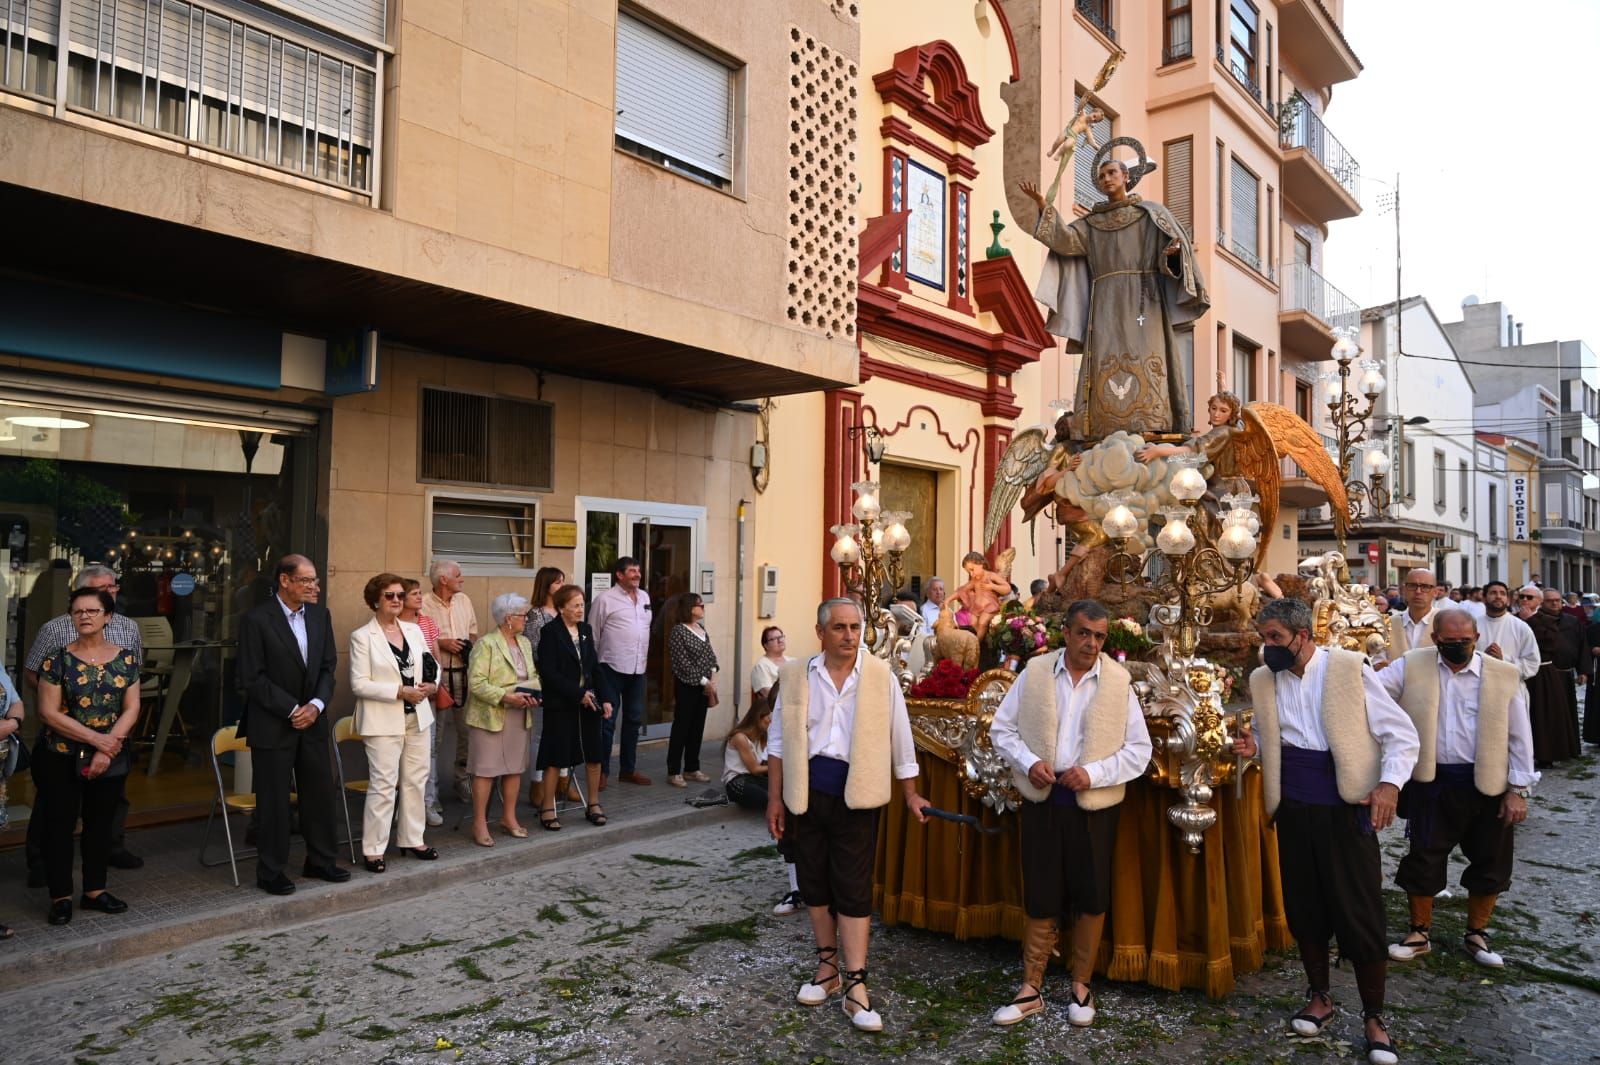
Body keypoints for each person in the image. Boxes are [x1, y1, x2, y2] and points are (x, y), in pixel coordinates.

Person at [1237, 597, 1418, 1065]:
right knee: (1306, 907)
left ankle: (1375, 1017)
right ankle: (1320, 997)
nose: (1268, 648)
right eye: (1263, 639)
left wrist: (1389, 785)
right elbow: (1269, 733)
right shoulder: (1264, 679)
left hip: (1344, 809)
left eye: (1275, 638)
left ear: (1303, 635)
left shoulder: (1347, 669)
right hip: (1294, 809)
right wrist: (1253, 743)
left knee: (1359, 911)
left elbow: (1400, 733)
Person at [767, 598, 931, 1034]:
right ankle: (827, 967)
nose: (849, 636)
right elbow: (778, 741)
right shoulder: (797, 675)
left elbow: (902, 738)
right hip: (806, 794)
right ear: (820, 632)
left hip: (857, 795)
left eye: (855, 627)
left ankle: (857, 984)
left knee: (854, 886)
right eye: (839, 627)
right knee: (814, 882)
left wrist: (911, 794)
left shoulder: (880, 677)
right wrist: (775, 800)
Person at [987, 599, 1152, 1028]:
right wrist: (1028, 762)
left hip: (1094, 807)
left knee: (1091, 893)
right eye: (1084, 633)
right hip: (1043, 800)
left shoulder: (1119, 682)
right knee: (1041, 889)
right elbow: (1001, 729)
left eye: (1099, 636)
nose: (1091, 643)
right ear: (1066, 632)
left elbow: (1140, 750)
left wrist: (1093, 773)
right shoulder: (1036, 672)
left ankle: (1081, 985)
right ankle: (1031, 987)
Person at [1377, 610, 1536, 970]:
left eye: (1465, 641)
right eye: (1450, 642)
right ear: (1435, 639)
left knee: (1491, 860)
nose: (1459, 647)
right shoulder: (1411, 665)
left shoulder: (1503, 674)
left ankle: (1477, 934)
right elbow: (1374, 692)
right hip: (1433, 782)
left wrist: (1518, 789)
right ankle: (1419, 932)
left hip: (1488, 784)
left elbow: (1520, 734)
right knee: (1424, 855)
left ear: (1477, 637)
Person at [1020, 156, 1209, 438]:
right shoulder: (1092, 224)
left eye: (1111, 173)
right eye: (1101, 176)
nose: (1106, 179)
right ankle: (1101, 424)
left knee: (1149, 353)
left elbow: (1172, 257)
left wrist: (1171, 256)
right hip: (1105, 301)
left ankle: (1152, 421)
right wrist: (1043, 206)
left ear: (1126, 176)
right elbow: (1066, 241)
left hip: (1145, 298)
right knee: (1104, 358)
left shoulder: (1150, 215)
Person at [23, 564, 144, 887]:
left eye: (114, 587)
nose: (113, 591)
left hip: (112, 738)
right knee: (55, 811)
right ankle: (42, 865)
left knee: (106, 809)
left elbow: (132, 689)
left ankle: (107, 859)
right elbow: (34, 674)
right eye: (105, 588)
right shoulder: (55, 631)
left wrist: (110, 743)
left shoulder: (128, 630)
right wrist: (64, 702)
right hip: (64, 739)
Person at [237, 554, 347, 895]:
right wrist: (292, 708)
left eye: (315, 580)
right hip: (273, 723)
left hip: (313, 721)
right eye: (307, 580)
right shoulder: (256, 620)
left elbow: (328, 666)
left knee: (319, 794)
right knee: (273, 802)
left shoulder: (319, 615)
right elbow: (251, 678)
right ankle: (271, 871)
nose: (315, 586)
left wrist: (315, 705)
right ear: (285, 581)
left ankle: (321, 861)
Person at [348, 574, 440, 873]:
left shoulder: (413, 630)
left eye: (401, 595)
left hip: (417, 715)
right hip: (383, 719)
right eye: (390, 595)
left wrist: (432, 684)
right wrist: (399, 691)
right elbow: (358, 684)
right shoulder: (363, 636)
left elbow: (431, 665)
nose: (397, 600)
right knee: (384, 784)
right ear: (375, 599)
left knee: (416, 780)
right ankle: (373, 849)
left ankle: (413, 838)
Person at [533, 585, 615, 830]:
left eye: (582, 604)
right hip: (561, 703)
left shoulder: (586, 630)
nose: (581, 609)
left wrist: (607, 697)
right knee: (556, 756)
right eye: (576, 605)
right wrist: (577, 694)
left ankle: (594, 804)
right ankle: (548, 808)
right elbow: (549, 672)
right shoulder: (550, 632)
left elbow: (595, 668)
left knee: (594, 752)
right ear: (561, 608)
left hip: (588, 701)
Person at [464, 593, 539, 846]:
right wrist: (507, 697)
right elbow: (475, 683)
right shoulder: (485, 644)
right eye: (523, 615)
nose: (526, 619)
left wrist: (534, 694)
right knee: (486, 771)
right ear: (509, 618)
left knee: (514, 769)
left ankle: (509, 818)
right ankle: (479, 823)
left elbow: (533, 674)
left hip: (520, 714)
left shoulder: (525, 643)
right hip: (490, 716)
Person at [723, 696, 803, 916]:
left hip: (754, 777)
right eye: (768, 719)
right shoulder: (740, 737)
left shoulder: (762, 738)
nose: (770, 724)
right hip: (738, 781)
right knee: (769, 798)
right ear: (758, 718)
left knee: (776, 793)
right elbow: (755, 768)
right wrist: (779, 766)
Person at [590, 556, 653, 789]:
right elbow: (594, 634)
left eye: (638, 570)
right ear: (619, 574)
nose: (637, 574)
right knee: (607, 722)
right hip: (611, 667)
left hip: (638, 668)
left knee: (634, 720)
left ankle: (627, 769)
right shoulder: (605, 599)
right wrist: (594, 669)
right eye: (632, 571)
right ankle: (602, 771)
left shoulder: (645, 597)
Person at [420, 559, 479, 805]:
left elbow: (474, 630)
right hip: (438, 678)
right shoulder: (422, 603)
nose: (462, 578)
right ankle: (430, 795)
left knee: (467, 733)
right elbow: (416, 638)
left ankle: (461, 780)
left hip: (465, 675)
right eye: (458, 575)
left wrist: (468, 643)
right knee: (436, 736)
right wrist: (443, 643)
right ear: (443, 579)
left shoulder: (464, 600)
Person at [524, 567, 577, 805]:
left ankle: (564, 782)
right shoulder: (536, 615)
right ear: (546, 586)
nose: (562, 585)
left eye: (563, 581)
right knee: (541, 734)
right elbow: (534, 649)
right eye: (557, 582)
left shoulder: (565, 612)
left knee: (566, 731)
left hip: (569, 682)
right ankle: (537, 784)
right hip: (546, 681)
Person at [399, 578, 445, 827]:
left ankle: (427, 802)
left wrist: (435, 685)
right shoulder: (392, 626)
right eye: (414, 594)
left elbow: (436, 660)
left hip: (425, 699)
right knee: (400, 754)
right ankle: (402, 805)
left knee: (429, 750)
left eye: (419, 592)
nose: (419, 597)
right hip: (398, 699)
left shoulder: (426, 623)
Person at [1522, 587, 1583, 764]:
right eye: (1522, 596)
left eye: (1530, 597)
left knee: (1544, 715)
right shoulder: (1513, 619)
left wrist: (1583, 670)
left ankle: (1545, 755)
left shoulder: (1547, 620)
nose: (1525, 600)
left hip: (1543, 674)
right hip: (1518, 673)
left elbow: (1550, 643)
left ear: (1537, 601)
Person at [665, 593, 719, 788]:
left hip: (705, 687)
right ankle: (673, 771)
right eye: (699, 605)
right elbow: (682, 663)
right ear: (689, 608)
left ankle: (692, 767)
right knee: (682, 727)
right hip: (688, 685)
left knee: (697, 727)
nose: (703, 608)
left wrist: (713, 677)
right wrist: (704, 681)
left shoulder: (701, 629)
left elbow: (711, 656)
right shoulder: (678, 632)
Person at [1479, 582, 1541, 703]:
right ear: (1484, 598)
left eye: (1502, 593)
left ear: (1508, 600)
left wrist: (1504, 659)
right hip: (1479, 689)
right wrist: (1482, 657)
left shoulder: (1521, 627)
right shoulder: (1472, 625)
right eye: (1493, 593)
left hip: (1512, 692)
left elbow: (1532, 664)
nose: (1498, 596)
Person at [1378, 569, 1440, 666]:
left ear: (1435, 592)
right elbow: (1378, 662)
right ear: (1403, 590)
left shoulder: (1444, 623)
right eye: (1412, 586)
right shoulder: (1387, 624)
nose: (1418, 591)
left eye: (1425, 587)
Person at [950, 551, 1011, 642]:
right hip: (977, 609)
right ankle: (979, 643)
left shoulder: (991, 576)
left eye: (972, 569)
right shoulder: (974, 580)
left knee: (982, 622)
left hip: (989, 607)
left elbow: (1007, 588)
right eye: (968, 572)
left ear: (980, 564)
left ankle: (976, 644)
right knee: (973, 623)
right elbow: (963, 589)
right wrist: (948, 600)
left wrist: (992, 586)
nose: (971, 574)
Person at [751, 626, 792, 705]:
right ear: (765, 645)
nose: (780, 641)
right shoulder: (761, 666)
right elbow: (769, 695)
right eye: (774, 639)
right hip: (776, 711)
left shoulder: (793, 661)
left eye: (781, 637)